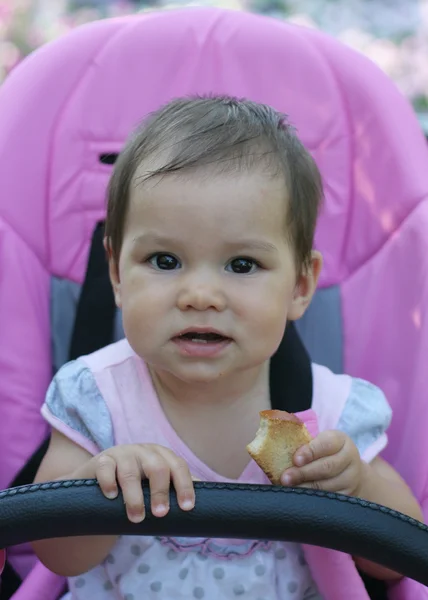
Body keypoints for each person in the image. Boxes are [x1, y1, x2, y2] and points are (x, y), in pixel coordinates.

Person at [32, 96, 422, 599]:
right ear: (116, 274)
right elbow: (54, 553)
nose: (200, 296)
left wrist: (358, 488)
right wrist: (98, 485)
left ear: (301, 286)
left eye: (241, 266)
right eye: (164, 260)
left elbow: (400, 560)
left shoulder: (329, 414)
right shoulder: (97, 398)